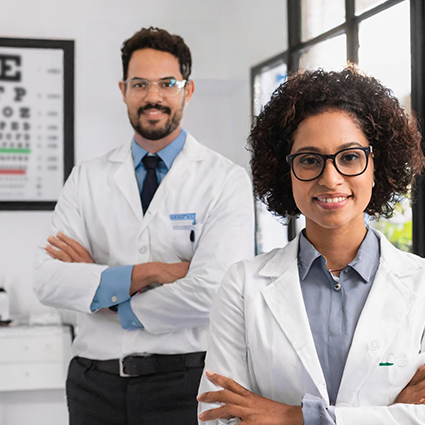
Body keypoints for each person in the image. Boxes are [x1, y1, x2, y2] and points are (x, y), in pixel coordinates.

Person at [33, 27, 254, 425]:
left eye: (167, 84)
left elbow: (212, 293)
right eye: (140, 84)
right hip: (93, 385)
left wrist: (108, 296)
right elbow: (48, 280)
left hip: (183, 385)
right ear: (123, 90)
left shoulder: (225, 179)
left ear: (187, 90)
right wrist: (150, 273)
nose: (153, 97)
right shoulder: (87, 178)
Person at [197, 66, 425, 424]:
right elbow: (219, 416)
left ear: (376, 164)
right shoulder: (243, 285)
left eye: (349, 157)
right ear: (285, 171)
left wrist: (293, 418)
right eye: (309, 160)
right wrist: (386, 414)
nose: (330, 178)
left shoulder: (421, 283)